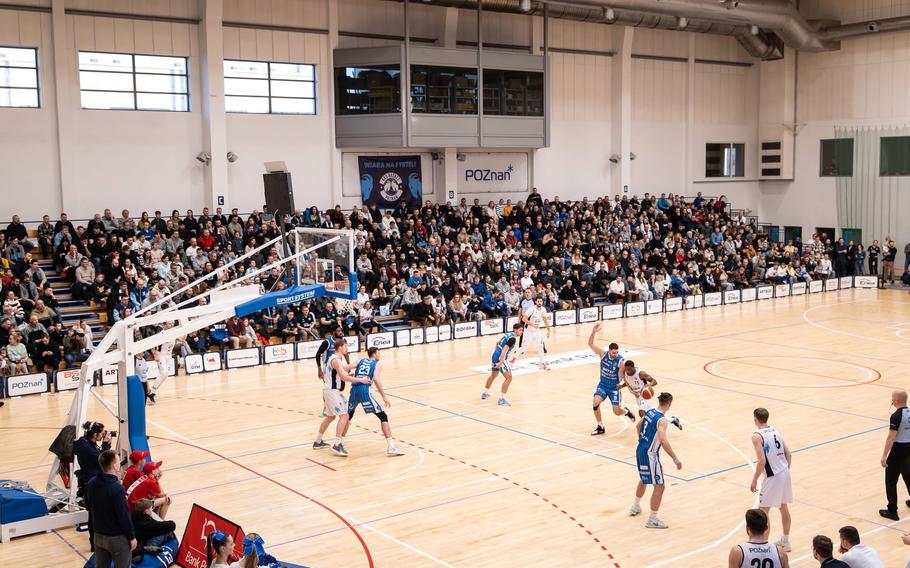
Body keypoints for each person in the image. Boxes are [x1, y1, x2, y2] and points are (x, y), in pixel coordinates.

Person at [332, 347, 404, 457]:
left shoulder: (360, 361)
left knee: (348, 416)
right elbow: (375, 379)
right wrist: (384, 396)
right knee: (383, 416)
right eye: (379, 353)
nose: (380, 355)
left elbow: (345, 367)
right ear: (374, 354)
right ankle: (391, 447)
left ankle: (340, 443)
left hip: (354, 390)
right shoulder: (377, 364)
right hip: (365, 391)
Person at [629, 392, 682, 528]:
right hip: (650, 454)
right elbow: (663, 440)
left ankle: (635, 506)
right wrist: (675, 458)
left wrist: (642, 440)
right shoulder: (662, 420)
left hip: (640, 449)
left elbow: (638, 426)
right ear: (669, 404)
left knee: (645, 478)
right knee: (660, 486)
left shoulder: (650, 411)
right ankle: (652, 519)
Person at [313, 341, 368, 456]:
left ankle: (318, 441)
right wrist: (360, 380)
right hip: (332, 391)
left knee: (330, 417)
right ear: (340, 347)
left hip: (329, 390)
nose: (347, 348)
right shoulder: (336, 360)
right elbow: (344, 376)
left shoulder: (334, 358)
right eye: (346, 346)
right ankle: (337, 444)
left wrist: (356, 364)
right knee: (345, 416)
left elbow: (345, 368)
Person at [750, 407, 793, 551]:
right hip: (784, 472)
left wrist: (755, 479)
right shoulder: (776, 430)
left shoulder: (757, 436)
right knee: (783, 507)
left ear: (756, 419)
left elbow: (761, 461)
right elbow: (789, 454)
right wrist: (784, 471)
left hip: (773, 476)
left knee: (763, 512)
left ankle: (763, 547)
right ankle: (785, 541)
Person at [85, 450, 136, 568]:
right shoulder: (117, 489)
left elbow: (88, 507)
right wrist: (131, 537)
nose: (120, 463)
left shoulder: (91, 483)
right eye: (118, 460)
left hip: (98, 536)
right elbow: (124, 516)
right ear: (114, 465)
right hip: (117, 539)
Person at [588, 323, 635, 436]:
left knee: (616, 411)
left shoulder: (620, 362)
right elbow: (590, 344)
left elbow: (625, 377)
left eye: (617, 352)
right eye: (613, 352)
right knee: (595, 402)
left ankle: (627, 412)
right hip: (603, 385)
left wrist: (629, 389)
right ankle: (600, 426)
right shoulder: (603, 354)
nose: (615, 354)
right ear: (609, 351)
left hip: (614, 388)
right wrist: (593, 332)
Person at [621, 360, 682, 428]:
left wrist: (649, 385)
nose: (627, 371)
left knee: (641, 412)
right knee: (651, 414)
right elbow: (629, 382)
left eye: (629, 369)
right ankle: (672, 420)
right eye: (626, 369)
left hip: (645, 395)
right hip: (637, 396)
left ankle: (646, 429)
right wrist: (621, 386)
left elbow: (654, 381)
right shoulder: (625, 372)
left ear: (633, 367)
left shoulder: (641, 373)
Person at [880, 389, 910, 521]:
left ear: (896, 400)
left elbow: (891, 438)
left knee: (891, 480)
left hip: (899, 449)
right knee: (908, 475)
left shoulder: (896, 416)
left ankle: (892, 510)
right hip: (909, 447)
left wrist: (884, 455)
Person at [481, 323, 524, 407]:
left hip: (495, 355)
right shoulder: (513, 339)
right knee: (509, 377)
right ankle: (501, 399)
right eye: (520, 330)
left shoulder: (508, 334)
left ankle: (485, 393)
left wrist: (496, 353)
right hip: (500, 358)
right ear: (515, 330)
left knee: (494, 375)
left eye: (522, 330)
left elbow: (497, 343)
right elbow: (504, 349)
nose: (521, 332)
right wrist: (500, 361)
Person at [511, 296, 550, 370]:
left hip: (537, 331)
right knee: (524, 348)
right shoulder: (531, 309)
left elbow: (545, 320)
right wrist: (532, 324)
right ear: (535, 302)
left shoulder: (543, 309)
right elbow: (524, 319)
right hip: (528, 330)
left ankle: (542, 363)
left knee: (540, 346)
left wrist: (549, 330)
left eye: (541, 301)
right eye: (538, 301)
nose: (539, 303)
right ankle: (512, 360)